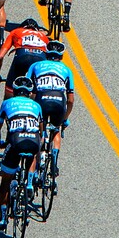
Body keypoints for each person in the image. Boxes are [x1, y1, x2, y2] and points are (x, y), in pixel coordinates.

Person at [0, 75, 43, 233]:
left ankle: (3, 218)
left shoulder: (7, 103)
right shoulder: (36, 105)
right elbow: (41, 131)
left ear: (15, 91)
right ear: (29, 93)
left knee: (5, 181)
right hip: (33, 141)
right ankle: (29, 183)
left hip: (15, 141)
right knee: (33, 153)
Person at [27, 40, 74, 173]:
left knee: (38, 129)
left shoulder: (35, 65)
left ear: (46, 53)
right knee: (56, 129)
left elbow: (28, 90)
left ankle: (39, 155)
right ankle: (54, 161)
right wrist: (65, 118)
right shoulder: (66, 69)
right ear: (61, 56)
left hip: (41, 99)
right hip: (59, 101)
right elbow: (70, 99)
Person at [0, 17, 50, 99]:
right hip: (40, 60)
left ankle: (8, 106)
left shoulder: (16, 31)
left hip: (22, 57)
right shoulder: (43, 36)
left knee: (9, 92)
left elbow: (0, 56)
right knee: (36, 91)